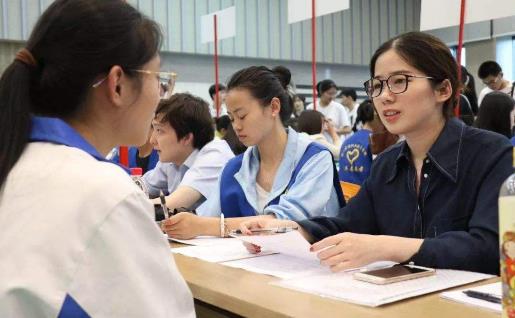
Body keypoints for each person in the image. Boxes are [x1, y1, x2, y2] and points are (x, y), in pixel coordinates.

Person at [240, 32, 513, 275]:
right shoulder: (387, 164)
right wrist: (291, 229)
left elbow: (491, 248)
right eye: (378, 86)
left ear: (443, 89)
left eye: (399, 81)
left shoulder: (493, 155)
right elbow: (347, 223)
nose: (384, 96)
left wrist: (386, 246)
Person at [0, 0, 194, 316]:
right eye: (157, 78)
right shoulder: (103, 193)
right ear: (117, 84)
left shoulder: (16, 161)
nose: (161, 95)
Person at [160, 66, 345, 239]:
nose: (236, 126)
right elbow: (208, 215)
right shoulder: (234, 168)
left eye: (242, 116)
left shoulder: (314, 158)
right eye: (231, 118)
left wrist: (204, 226)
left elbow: (283, 224)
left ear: (274, 107)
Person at [143, 93, 234, 211]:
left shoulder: (215, 155)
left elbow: (171, 205)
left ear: (186, 138)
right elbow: (143, 186)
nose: (152, 140)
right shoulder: (175, 154)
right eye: (153, 129)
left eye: (160, 131)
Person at [338, 100, 376, 194]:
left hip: (344, 196)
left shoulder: (347, 141)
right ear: (376, 117)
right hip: (364, 197)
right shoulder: (376, 141)